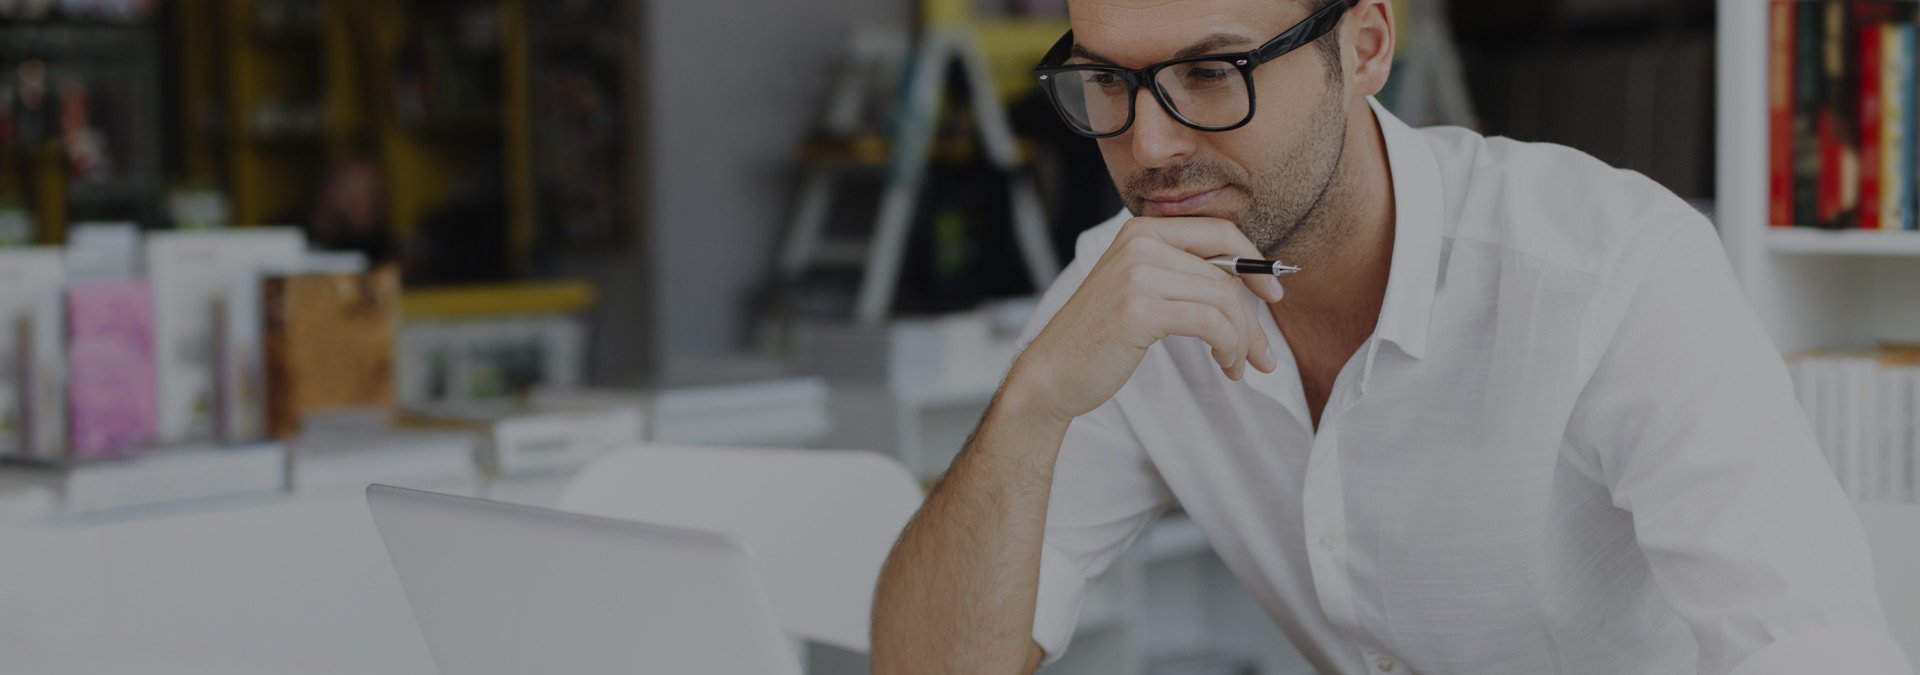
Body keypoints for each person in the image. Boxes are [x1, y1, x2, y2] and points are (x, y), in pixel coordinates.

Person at [869, 0, 1914, 673]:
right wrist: (1032, 403)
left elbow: (1812, 649)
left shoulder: (1611, 274)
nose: (1150, 145)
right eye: (1107, 81)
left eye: (1211, 74)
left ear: (1363, 47)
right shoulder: (1121, 293)